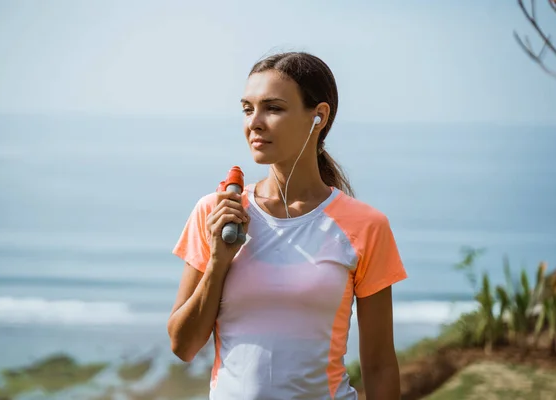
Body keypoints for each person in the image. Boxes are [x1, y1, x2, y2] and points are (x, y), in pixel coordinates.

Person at [168, 51, 408, 399]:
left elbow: (380, 364)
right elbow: (183, 346)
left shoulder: (367, 226)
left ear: (318, 116)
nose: (255, 122)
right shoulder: (216, 213)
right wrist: (219, 262)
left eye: (273, 108)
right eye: (247, 109)